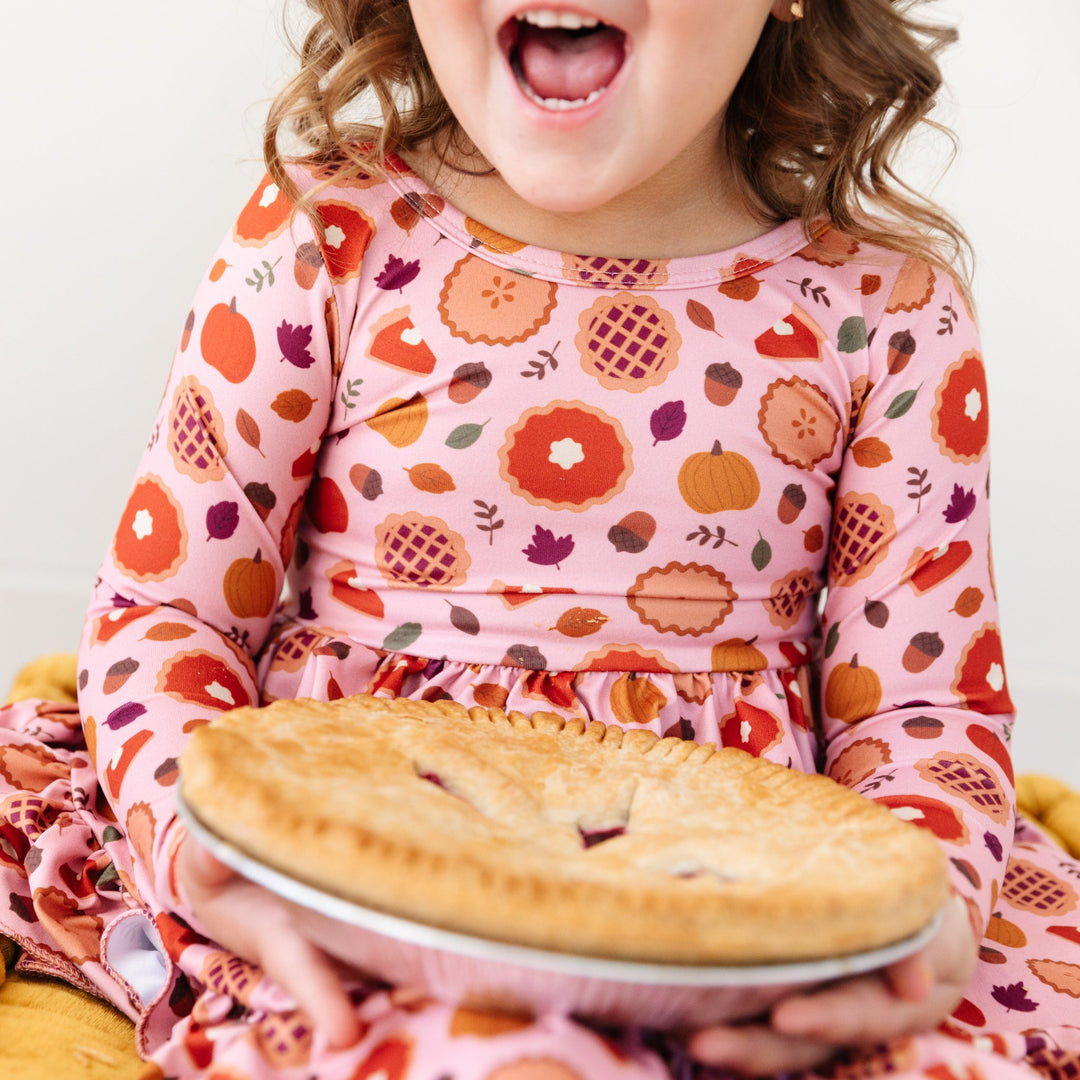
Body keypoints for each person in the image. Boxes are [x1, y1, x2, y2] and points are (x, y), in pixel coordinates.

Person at [1, 0, 1077, 1077]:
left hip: (726, 932)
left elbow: (925, 710)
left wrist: (920, 919)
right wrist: (213, 857)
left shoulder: (888, 313)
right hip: (368, 895)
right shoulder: (330, 235)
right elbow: (168, 612)